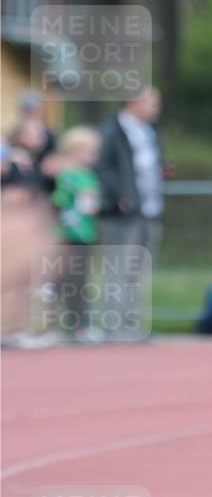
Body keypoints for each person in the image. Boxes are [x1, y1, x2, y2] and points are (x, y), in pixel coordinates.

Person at [96, 86, 165, 340]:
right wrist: (120, 197)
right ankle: (113, 325)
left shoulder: (150, 131)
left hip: (150, 209)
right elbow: (102, 168)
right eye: (152, 103)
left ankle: (132, 323)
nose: (156, 109)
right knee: (119, 268)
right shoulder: (112, 131)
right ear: (134, 102)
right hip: (122, 213)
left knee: (140, 270)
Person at [52, 127, 102, 343]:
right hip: (68, 235)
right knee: (62, 281)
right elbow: (59, 203)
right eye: (87, 151)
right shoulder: (67, 176)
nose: (92, 156)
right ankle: (56, 326)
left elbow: (92, 204)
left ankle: (80, 326)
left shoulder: (89, 175)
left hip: (85, 234)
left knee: (81, 282)